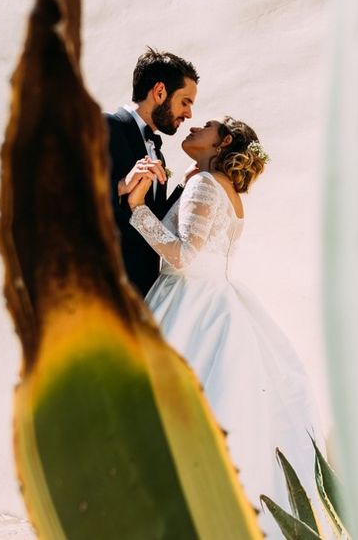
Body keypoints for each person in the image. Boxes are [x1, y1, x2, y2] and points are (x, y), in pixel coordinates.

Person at [126, 117, 325, 538]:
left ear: (224, 142)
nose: (194, 126)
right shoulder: (227, 192)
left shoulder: (205, 183)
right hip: (217, 301)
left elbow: (181, 256)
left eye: (208, 126)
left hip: (185, 302)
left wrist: (136, 209)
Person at [107, 48, 199, 296]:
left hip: (144, 294)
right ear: (160, 92)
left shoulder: (158, 152)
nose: (189, 114)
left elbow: (152, 220)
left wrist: (182, 186)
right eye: (185, 102)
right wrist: (119, 187)